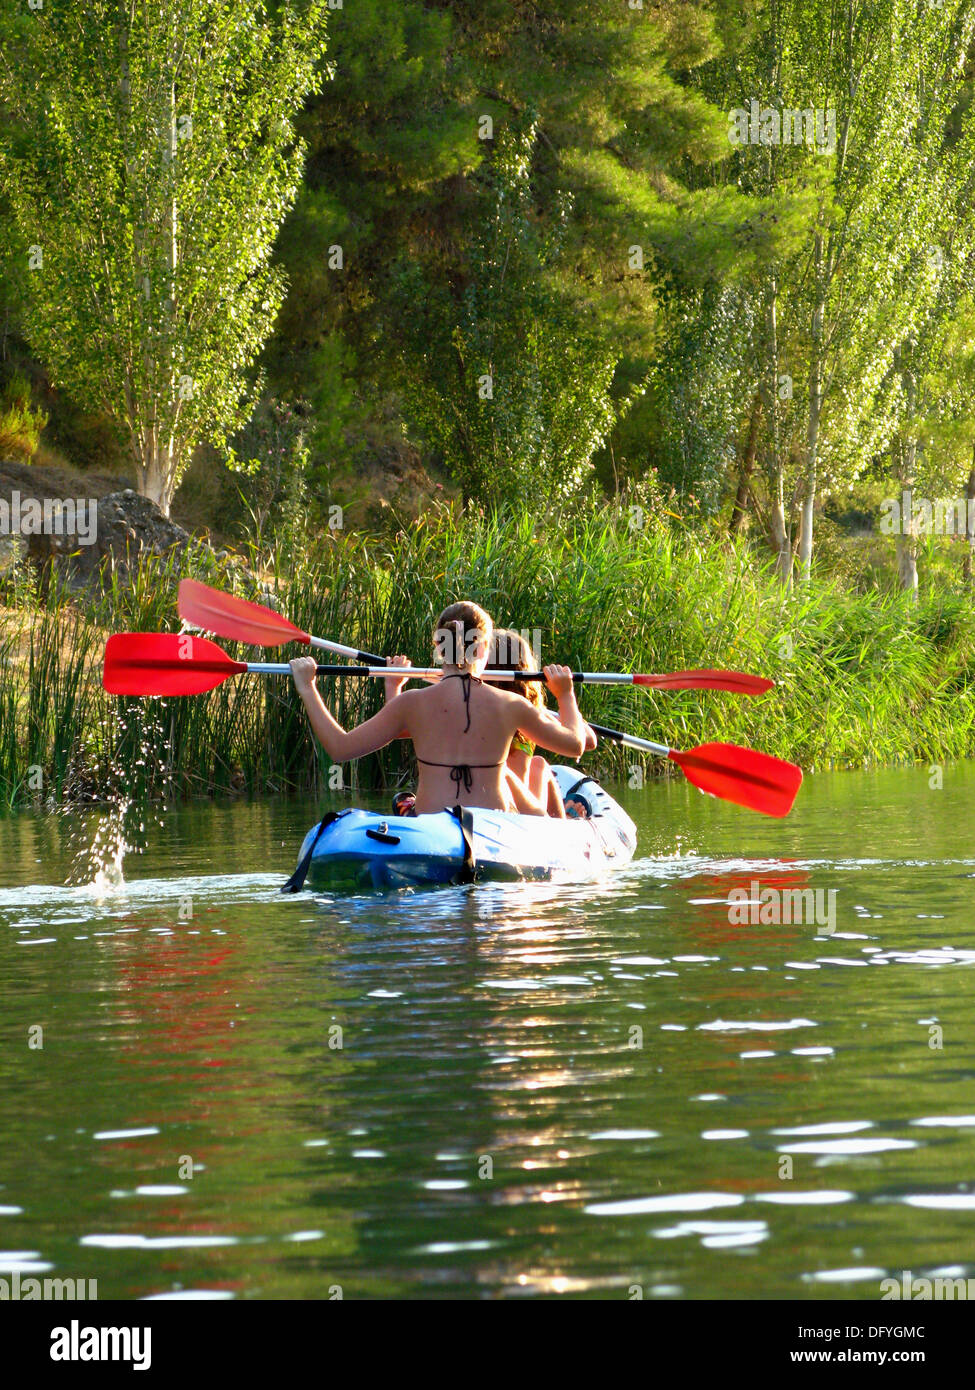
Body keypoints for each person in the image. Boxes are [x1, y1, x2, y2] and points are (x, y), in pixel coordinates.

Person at [289, 601, 588, 816]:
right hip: (494, 828)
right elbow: (576, 745)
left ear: (439, 646)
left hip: (430, 826)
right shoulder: (513, 705)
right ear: (484, 648)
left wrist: (308, 688)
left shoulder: (412, 702)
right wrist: (565, 694)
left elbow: (340, 748)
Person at [484, 628, 597, 817]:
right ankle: (562, 823)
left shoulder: (470, 708)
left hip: (484, 804)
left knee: (537, 764)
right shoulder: (530, 715)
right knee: (540, 765)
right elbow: (589, 740)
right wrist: (565, 697)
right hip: (520, 812)